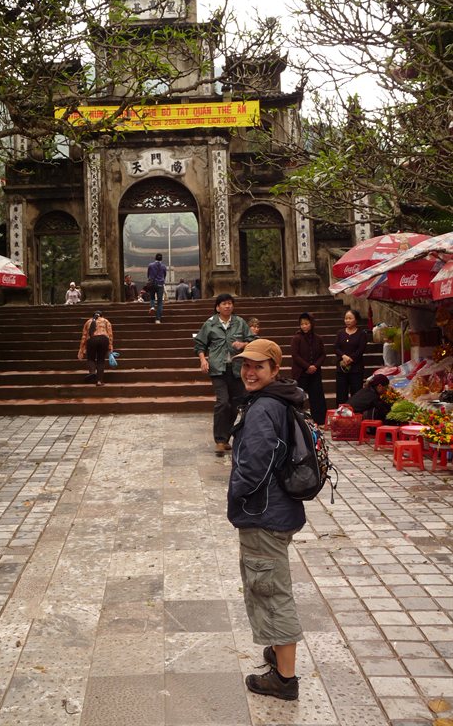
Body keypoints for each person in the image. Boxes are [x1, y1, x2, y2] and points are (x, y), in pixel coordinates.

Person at [228, 339, 305, 701]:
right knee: (269, 581)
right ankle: (277, 651)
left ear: (275, 370)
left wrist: (236, 494)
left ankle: (284, 679)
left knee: (272, 591)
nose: (249, 372)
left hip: (264, 512)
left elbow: (254, 465)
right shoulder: (280, 399)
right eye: (245, 365)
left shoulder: (263, 408)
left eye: (258, 366)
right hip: (279, 508)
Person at [194, 293, 252, 455]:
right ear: (217, 307)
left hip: (236, 369)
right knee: (223, 402)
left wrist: (243, 344)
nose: (227, 306)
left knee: (235, 404)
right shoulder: (210, 324)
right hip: (217, 369)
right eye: (224, 304)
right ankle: (219, 440)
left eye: (230, 303)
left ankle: (225, 437)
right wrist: (203, 360)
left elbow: (254, 339)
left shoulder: (240, 323)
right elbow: (200, 344)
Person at [290, 312, 327, 426]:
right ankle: (298, 419)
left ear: (311, 324)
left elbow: (322, 354)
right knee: (299, 396)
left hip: (315, 372)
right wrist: (307, 366)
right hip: (301, 372)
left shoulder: (318, 338)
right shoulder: (297, 338)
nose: (304, 326)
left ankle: (319, 420)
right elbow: (295, 355)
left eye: (306, 323)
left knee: (317, 396)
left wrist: (315, 366)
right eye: (302, 324)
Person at [335, 308, 367, 404]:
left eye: (350, 318)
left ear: (356, 320)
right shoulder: (340, 333)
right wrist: (343, 356)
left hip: (356, 369)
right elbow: (336, 347)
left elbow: (361, 349)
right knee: (341, 394)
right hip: (341, 368)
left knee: (356, 394)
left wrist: (351, 358)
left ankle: (355, 415)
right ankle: (341, 415)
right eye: (346, 318)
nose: (347, 320)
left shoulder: (361, 334)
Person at [78, 311, 114, 386]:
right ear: (102, 316)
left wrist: (81, 349)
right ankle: (99, 381)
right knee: (101, 360)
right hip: (104, 339)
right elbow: (110, 335)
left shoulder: (88, 322)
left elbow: (84, 336)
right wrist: (110, 348)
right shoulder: (106, 321)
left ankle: (92, 372)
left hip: (91, 340)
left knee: (91, 358)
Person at [147, 253, 167, 324]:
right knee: (159, 302)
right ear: (161, 259)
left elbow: (148, 275)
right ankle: (158, 319)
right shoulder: (164, 267)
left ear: (155, 258)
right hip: (160, 285)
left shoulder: (150, 265)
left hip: (152, 283)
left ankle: (152, 307)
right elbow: (164, 276)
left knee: (152, 297)